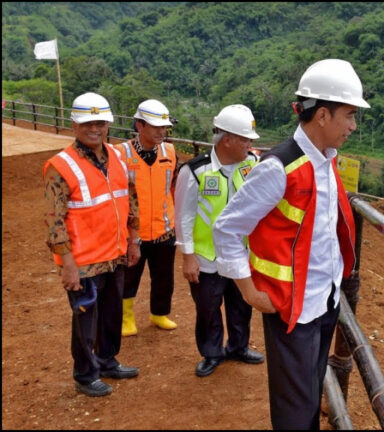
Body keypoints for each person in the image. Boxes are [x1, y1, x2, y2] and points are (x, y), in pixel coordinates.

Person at [212, 59, 368, 429]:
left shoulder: (327, 162)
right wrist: (249, 292)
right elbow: (227, 228)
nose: (353, 125)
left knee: (311, 393)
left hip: (324, 300)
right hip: (291, 308)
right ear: (323, 116)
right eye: (348, 115)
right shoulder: (279, 167)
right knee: (294, 410)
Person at [43, 92, 141, 397]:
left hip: (114, 253)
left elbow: (131, 201)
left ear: (108, 124)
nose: (94, 128)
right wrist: (67, 263)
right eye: (88, 123)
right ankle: (85, 375)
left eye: (100, 122)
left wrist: (133, 240)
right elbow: (53, 219)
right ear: (74, 125)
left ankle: (108, 360)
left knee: (111, 313)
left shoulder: (119, 158)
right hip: (83, 262)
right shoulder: (60, 166)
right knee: (86, 318)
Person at [174, 104, 265, 377]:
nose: (249, 145)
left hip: (240, 254)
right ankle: (212, 353)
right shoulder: (195, 171)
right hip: (207, 258)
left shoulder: (253, 164)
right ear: (227, 139)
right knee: (208, 308)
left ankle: (238, 347)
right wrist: (187, 257)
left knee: (241, 305)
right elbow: (184, 217)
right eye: (245, 139)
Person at [114, 99, 179, 336]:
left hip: (163, 229)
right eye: (156, 127)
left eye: (164, 127)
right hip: (133, 232)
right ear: (140, 126)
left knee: (164, 277)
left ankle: (159, 314)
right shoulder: (120, 154)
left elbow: (173, 187)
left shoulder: (169, 152)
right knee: (129, 276)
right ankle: (126, 318)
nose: (162, 132)